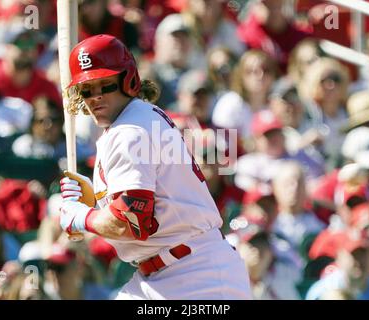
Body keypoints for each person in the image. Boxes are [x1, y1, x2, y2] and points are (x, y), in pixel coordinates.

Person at [58, 34, 251, 300]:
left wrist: (82, 217)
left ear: (128, 80)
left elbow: (131, 223)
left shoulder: (129, 131)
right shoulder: (140, 117)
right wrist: (98, 200)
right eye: (87, 89)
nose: (96, 97)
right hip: (174, 271)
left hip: (195, 277)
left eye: (106, 85)